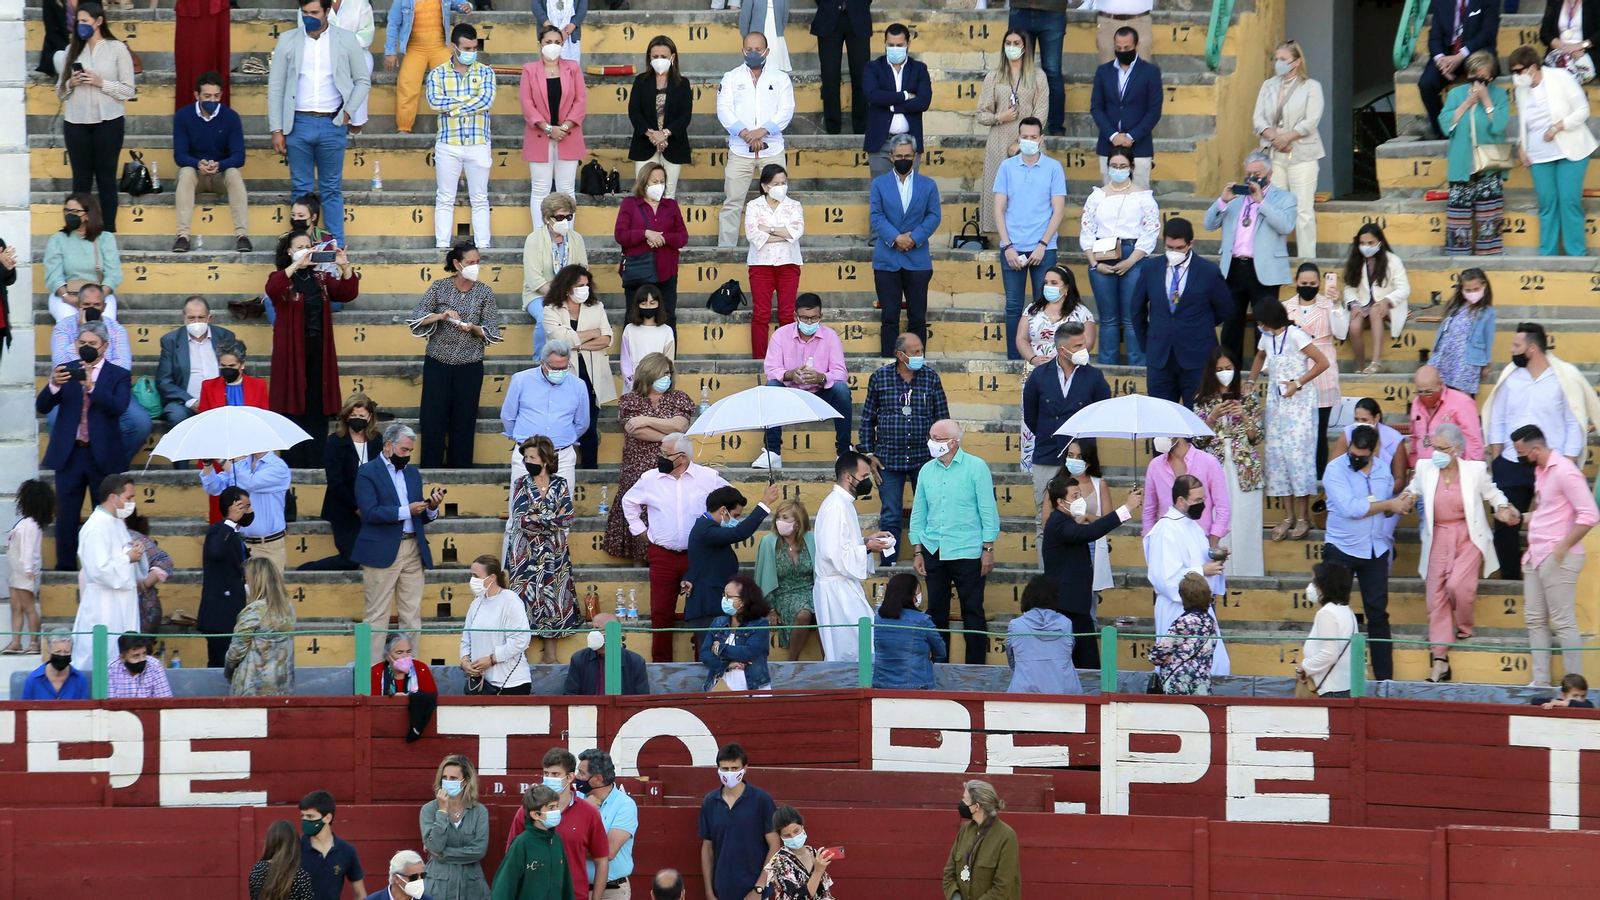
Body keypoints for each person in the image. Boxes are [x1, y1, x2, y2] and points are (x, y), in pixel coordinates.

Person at [1400, 423, 1515, 683]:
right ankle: (1439, 658)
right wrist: (1406, 498)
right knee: (1436, 595)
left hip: (1468, 535)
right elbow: (1413, 489)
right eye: (1433, 447)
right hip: (1438, 535)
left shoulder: (1474, 470)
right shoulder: (1425, 468)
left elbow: (1493, 493)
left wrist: (1503, 507)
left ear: (1456, 450)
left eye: (1441, 448)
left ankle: (1464, 624)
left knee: (1458, 586)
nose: (1435, 453)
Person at [1483, 323, 1588, 579]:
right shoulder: (1510, 376)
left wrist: (1569, 462)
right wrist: (1497, 459)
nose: (1511, 350)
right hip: (1510, 461)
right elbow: (1497, 417)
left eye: (1516, 345)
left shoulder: (1564, 375)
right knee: (1505, 522)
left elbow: (1574, 419)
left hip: (1550, 463)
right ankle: (1510, 580)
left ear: (1532, 348)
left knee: (1551, 523)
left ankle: (1548, 577)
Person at [267, 0, 371, 248]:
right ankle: (300, 248)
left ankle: (335, 249)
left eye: (314, 12)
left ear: (326, 12)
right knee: (301, 190)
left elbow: (362, 80)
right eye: (304, 13)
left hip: (332, 122)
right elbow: (276, 86)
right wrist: (276, 128)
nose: (309, 17)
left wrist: (347, 114)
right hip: (298, 122)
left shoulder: (345, 39)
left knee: (331, 189)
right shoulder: (289, 39)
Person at [622, 432, 730, 662]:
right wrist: (640, 532)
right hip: (662, 554)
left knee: (702, 613)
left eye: (664, 453)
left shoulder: (708, 477)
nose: (659, 457)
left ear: (681, 457)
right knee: (661, 613)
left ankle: (704, 663)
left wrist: (717, 530)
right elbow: (628, 502)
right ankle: (662, 666)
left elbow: (731, 500)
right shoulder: (650, 478)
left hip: (700, 556)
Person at [39, 323, 131, 573]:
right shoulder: (66, 371)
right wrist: (54, 385)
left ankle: (105, 566)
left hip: (102, 455)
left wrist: (92, 387)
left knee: (104, 514)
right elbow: (43, 406)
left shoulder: (118, 374)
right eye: (82, 344)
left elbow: (118, 406)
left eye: (92, 344)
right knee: (66, 514)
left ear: (105, 347)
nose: (86, 348)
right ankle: (66, 566)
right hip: (70, 453)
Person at [1514, 424, 1599, 688]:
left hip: (1557, 556)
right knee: (1535, 620)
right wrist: (1519, 517)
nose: (1520, 458)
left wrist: (1562, 548)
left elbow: (1590, 515)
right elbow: (1545, 514)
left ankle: (1574, 689)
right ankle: (1540, 681)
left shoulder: (1565, 472)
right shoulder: (1541, 472)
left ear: (1535, 449)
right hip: (1537, 555)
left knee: (1563, 623)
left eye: (1521, 452)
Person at [1323, 425, 1410, 683]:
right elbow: (1351, 508)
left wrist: (1399, 505)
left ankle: (1385, 680)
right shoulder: (1335, 469)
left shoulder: (1383, 470)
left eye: (1362, 455)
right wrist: (1389, 504)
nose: (1356, 459)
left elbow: (1384, 510)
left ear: (1374, 451)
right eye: (1353, 453)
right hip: (1341, 548)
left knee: (1378, 614)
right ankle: (1333, 678)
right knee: (1335, 614)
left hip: (1375, 548)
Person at [911, 421, 1001, 666]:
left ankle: (975, 670)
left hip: (968, 550)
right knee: (936, 613)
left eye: (936, 438)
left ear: (953, 442)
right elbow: (919, 512)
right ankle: (939, 667)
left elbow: (988, 511)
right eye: (931, 437)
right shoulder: (926, 471)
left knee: (973, 611)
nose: (931, 442)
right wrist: (917, 550)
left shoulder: (976, 467)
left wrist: (988, 549)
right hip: (933, 549)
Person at [267, 231, 358, 469]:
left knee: (317, 404)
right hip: (291, 354)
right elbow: (273, 290)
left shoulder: (321, 278)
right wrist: (296, 265)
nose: (307, 249)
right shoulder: (282, 277)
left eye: (309, 246)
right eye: (300, 246)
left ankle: (317, 463)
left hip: (319, 351)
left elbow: (347, 293)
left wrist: (344, 266)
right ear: (289, 251)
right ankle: (293, 464)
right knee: (292, 405)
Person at [353, 424, 443, 663]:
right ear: (388, 445)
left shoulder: (412, 473)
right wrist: (406, 510)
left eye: (410, 450)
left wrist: (431, 508)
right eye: (403, 450)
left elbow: (419, 514)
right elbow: (370, 513)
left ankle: (410, 673)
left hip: (414, 547)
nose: (407, 455)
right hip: (382, 549)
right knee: (376, 616)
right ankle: (370, 676)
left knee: (412, 616)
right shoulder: (367, 472)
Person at [857, 332, 948, 565]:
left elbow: (942, 419)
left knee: (931, 511)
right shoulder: (880, 378)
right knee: (890, 513)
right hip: (888, 459)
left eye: (921, 350)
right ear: (900, 355)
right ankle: (889, 563)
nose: (920, 355)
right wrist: (869, 455)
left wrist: (942, 455)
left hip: (925, 459)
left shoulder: (931, 378)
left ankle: (931, 560)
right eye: (915, 352)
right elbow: (867, 419)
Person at [410, 241, 502, 468]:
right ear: (456, 264)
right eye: (470, 262)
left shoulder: (484, 292)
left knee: (464, 420)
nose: (475, 266)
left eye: (478, 262)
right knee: (432, 419)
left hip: (470, 365)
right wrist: (440, 316)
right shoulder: (439, 287)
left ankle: (460, 468)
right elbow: (417, 317)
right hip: (438, 362)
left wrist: (473, 328)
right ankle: (431, 468)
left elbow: (492, 331)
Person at [1249, 297, 1330, 541]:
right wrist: (1251, 381)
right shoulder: (1267, 337)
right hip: (1277, 404)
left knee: (1298, 458)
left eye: (1261, 321)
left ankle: (1303, 517)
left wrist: (1298, 383)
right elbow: (1259, 357)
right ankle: (1288, 516)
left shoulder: (1296, 335)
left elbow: (1322, 362)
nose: (1259, 326)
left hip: (1300, 405)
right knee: (1278, 457)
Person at [1041, 472, 1140, 669]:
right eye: (1075, 496)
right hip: (1065, 607)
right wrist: (1126, 507)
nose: (1081, 500)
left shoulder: (1066, 521)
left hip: (1076, 604)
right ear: (1061, 502)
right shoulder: (1058, 523)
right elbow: (1092, 532)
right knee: (1081, 663)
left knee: (1088, 661)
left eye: (1080, 495)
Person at [1021, 323, 1112, 537]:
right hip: (1047, 453)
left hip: (1082, 458)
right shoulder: (1039, 376)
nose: (1084, 349)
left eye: (1084, 344)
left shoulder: (1094, 377)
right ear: (1062, 350)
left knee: (1083, 516)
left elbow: (1103, 412)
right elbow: (1031, 417)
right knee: (1044, 520)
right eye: (1078, 345)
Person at [1130, 217, 1231, 405]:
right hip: (1160, 357)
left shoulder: (1208, 271)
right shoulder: (1151, 268)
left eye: (1179, 248)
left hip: (1197, 356)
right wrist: (1148, 344)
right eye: (1170, 248)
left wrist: (1199, 326)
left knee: (1198, 415)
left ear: (1190, 244)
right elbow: (1136, 309)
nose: (1174, 252)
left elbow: (1225, 309)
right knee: (1161, 417)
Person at [1207, 153, 1297, 364]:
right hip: (1235, 267)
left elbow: (1286, 226)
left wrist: (1262, 202)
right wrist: (1222, 201)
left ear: (1270, 174)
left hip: (1264, 269)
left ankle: (1264, 368)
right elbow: (1209, 224)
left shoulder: (1285, 198)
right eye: (1248, 174)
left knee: (1265, 322)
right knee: (1231, 323)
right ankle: (1229, 371)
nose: (1252, 179)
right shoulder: (1236, 199)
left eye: (1257, 174)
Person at [1509, 45, 1598, 257]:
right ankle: (1547, 255)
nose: (1515, 76)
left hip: (1570, 150)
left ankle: (1576, 254)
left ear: (1532, 67)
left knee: (1569, 201)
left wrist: (1558, 127)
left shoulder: (1560, 77)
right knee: (1547, 204)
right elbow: (1525, 124)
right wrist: (1521, 146)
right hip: (1539, 156)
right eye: (1512, 72)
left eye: (1518, 71)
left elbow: (1583, 110)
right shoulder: (1520, 90)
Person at [47, 287, 147, 469]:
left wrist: (95, 380)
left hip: (107, 389)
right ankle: (69, 465)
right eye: (86, 305)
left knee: (140, 423)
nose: (91, 309)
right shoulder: (64, 327)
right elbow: (61, 365)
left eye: (96, 305)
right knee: (54, 419)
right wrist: (83, 334)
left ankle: (109, 466)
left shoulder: (116, 330)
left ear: (104, 306)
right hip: (72, 390)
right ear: (78, 305)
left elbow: (123, 367)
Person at [56, 3, 134, 235]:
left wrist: (102, 82)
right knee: (80, 180)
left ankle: (107, 230)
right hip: (76, 122)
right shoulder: (72, 48)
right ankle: (77, 230)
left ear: (98, 21)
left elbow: (129, 90)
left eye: (85, 21)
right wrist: (72, 82)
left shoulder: (117, 48)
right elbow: (59, 91)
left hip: (109, 121)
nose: (81, 26)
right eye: (79, 22)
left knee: (106, 178)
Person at [605, 353, 692, 562]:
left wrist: (645, 419)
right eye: (662, 373)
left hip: (671, 464)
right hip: (637, 464)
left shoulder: (678, 397)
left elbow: (681, 425)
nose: (667, 377)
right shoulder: (629, 399)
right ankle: (639, 559)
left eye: (669, 373)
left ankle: (664, 557)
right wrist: (670, 436)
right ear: (648, 374)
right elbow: (636, 432)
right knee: (638, 507)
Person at [994, 117, 1068, 360]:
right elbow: (998, 208)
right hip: (1012, 248)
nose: (1028, 141)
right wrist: (1008, 246)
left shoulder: (1053, 168)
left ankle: (1044, 359)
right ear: (1018, 137)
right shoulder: (1006, 167)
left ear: (1041, 139)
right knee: (1014, 307)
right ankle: (1015, 359)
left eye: (1033, 137)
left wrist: (1042, 245)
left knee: (1045, 307)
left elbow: (1058, 210)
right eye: (1024, 137)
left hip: (1043, 249)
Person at [504, 438, 581, 666]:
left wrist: (540, 518)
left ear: (545, 461)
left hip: (554, 553)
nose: (528, 462)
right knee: (522, 602)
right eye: (526, 458)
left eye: (532, 458)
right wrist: (550, 520)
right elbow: (522, 520)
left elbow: (567, 518)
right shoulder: (520, 483)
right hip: (524, 553)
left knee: (554, 598)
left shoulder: (560, 484)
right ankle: (520, 657)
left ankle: (550, 656)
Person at [1144, 475, 1231, 676]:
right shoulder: (1165, 529)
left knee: (1216, 667)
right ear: (1181, 500)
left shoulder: (1192, 525)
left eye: (1203, 500)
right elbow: (1165, 577)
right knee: (1181, 669)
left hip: (1201, 609)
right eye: (1198, 501)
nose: (1202, 505)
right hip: (1177, 609)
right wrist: (1203, 571)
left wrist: (1216, 562)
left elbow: (1198, 562)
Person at [814, 452, 895, 662]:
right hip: (836, 588)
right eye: (865, 476)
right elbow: (832, 553)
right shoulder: (836, 506)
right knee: (850, 648)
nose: (868, 481)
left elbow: (841, 543)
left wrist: (866, 539)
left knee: (861, 641)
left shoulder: (844, 503)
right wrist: (867, 547)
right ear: (849, 477)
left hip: (842, 584)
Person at [1080, 150, 1158, 365]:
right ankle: (1107, 367)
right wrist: (1095, 264)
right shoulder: (1096, 196)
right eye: (1114, 165)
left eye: (1123, 166)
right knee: (1108, 320)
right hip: (1101, 254)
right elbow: (1087, 230)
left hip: (1133, 254)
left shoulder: (1143, 196)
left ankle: (1138, 368)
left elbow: (1151, 230)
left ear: (1131, 167)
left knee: (1132, 318)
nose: (1118, 170)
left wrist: (1131, 260)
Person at [718, 33, 796, 249]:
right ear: (743, 50)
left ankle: (779, 246)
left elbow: (786, 111)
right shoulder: (731, 78)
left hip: (772, 150)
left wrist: (762, 132)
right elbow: (724, 110)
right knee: (732, 202)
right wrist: (746, 134)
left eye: (758, 49)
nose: (753, 53)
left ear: (767, 51)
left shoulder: (781, 78)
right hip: (740, 151)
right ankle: (726, 249)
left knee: (778, 200)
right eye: (749, 49)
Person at [1192, 348, 1265, 577]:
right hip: (1214, 469)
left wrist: (1244, 415)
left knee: (1245, 522)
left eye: (1229, 368)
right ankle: (1219, 572)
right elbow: (1197, 441)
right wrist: (1212, 417)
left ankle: (1249, 574)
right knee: (1217, 521)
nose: (1225, 373)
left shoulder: (1248, 397)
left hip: (1245, 471)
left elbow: (1257, 437)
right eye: (1220, 370)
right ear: (1211, 372)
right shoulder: (1201, 400)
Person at [501, 748, 610, 900]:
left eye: (555, 774)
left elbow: (601, 859)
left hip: (575, 895)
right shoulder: (527, 811)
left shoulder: (589, 813)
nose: (549, 779)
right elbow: (512, 859)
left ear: (570, 776)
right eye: (546, 774)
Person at [757, 294, 850, 469]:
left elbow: (841, 372)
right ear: (795, 317)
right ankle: (773, 452)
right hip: (791, 392)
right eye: (805, 318)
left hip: (821, 392)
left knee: (842, 391)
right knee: (771, 387)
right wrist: (790, 374)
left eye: (814, 318)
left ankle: (844, 452)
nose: (809, 323)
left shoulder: (830, 336)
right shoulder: (780, 335)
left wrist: (821, 377)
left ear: (820, 317)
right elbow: (771, 369)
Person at [425, 24, 496, 251]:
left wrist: (453, 109)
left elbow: (486, 101)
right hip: (448, 143)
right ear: (453, 47)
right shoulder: (437, 73)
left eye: (474, 47)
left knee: (480, 198)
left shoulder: (486, 72)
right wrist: (469, 102)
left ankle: (483, 245)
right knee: (445, 197)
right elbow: (434, 102)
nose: (471, 51)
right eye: (466, 47)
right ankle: (442, 245)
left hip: (478, 143)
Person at [870, 136, 942, 356]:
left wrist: (913, 238)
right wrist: (895, 238)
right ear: (891, 156)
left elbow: (934, 216)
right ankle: (889, 365)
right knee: (889, 317)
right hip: (887, 260)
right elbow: (876, 215)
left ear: (915, 156)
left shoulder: (928, 185)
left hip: (917, 260)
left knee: (917, 318)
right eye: (899, 156)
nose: (903, 160)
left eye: (908, 156)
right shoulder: (879, 184)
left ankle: (917, 362)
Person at [1251, 41, 1323, 258]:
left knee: (1303, 210)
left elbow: (1311, 121)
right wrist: (1275, 138)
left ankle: (1307, 260)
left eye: (1284, 59)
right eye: (1277, 59)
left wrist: (1287, 137)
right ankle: (1273, 257)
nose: (1279, 63)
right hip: (1274, 156)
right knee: (1274, 207)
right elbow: (1258, 118)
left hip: (1302, 155)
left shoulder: (1311, 86)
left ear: (1297, 61)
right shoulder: (1268, 85)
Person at [685, 485, 778, 651]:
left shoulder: (705, 528)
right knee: (715, 657)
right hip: (708, 607)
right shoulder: (706, 530)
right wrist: (765, 502)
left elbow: (701, 562)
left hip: (712, 605)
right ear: (723, 510)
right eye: (735, 515)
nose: (735, 520)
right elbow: (739, 533)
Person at [1019, 269, 1098, 464]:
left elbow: (1088, 343)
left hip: (1071, 373)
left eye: (1054, 283)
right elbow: (1021, 338)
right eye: (1046, 282)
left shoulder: (1081, 313)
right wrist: (1034, 359)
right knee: (1036, 419)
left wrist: (1064, 359)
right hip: (1037, 373)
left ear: (1066, 287)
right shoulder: (1033, 310)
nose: (1048, 286)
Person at [976, 31, 1048, 235]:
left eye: (1016, 43)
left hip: (1030, 143)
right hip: (999, 140)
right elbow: (982, 113)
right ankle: (1000, 238)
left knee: (1030, 193)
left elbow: (1041, 112)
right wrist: (1000, 117)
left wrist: (1023, 142)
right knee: (999, 192)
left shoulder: (1038, 76)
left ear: (1025, 47)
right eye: (1008, 42)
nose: (1012, 46)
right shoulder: (994, 76)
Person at [1439, 51, 1509, 257]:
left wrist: (1487, 101)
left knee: (1489, 225)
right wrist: (1467, 103)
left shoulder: (1499, 95)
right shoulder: (1455, 95)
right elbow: (1445, 125)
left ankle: (1489, 262)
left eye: (1483, 78)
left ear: (1491, 77)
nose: (1478, 82)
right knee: (1458, 225)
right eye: (1474, 77)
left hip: (1489, 168)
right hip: (1462, 166)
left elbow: (1499, 126)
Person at [541, 266, 611, 470]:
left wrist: (575, 343)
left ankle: (590, 467)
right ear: (567, 288)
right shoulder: (551, 309)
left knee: (589, 424)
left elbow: (606, 338)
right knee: (561, 422)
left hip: (592, 374)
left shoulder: (596, 306)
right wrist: (592, 333)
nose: (584, 289)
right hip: (562, 374)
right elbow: (559, 340)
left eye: (586, 285)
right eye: (579, 286)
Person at [173, 73, 249, 253]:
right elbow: (179, 155)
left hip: (220, 175)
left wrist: (219, 166)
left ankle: (242, 236)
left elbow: (239, 156)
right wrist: (198, 164)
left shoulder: (231, 117)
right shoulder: (183, 116)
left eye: (216, 96)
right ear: (196, 95)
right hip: (196, 175)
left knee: (234, 173)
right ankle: (182, 236)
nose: (212, 100)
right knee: (185, 172)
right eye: (207, 96)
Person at [304, 394, 381, 571]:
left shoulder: (376, 440)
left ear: (370, 417)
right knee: (351, 559)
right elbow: (335, 481)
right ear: (346, 416)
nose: (357, 420)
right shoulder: (335, 441)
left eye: (362, 416)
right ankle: (309, 569)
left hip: (371, 506)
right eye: (353, 416)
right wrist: (357, 507)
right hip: (343, 507)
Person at [520, 25, 589, 217]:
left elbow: (580, 101)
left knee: (566, 189)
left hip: (569, 134)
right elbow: (527, 103)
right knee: (540, 189)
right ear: (539, 44)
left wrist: (564, 127)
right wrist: (549, 128)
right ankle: (539, 238)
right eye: (548, 42)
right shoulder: (529, 69)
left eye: (557, 42)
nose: (553, 46)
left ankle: (567, 236)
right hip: (539, 135)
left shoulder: (573, 68)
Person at [501, 341, 591, 483]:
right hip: (527, 455)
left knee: (562, 503)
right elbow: (508, 416)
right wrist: (524, 440)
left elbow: (582, 422)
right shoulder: (521, 380)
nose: (560, 372)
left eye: (564, 367)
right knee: (522, 503)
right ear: (543, 362)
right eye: (555, 368)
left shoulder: (578, 385)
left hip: (562, 456)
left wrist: (563, 437)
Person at [699, 744, 780, 900]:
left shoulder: (761, 799)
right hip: (722, 890)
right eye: (725, 768)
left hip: (756, 890)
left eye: (735, 768)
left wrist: (759, 888)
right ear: (718, 769)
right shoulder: (710, 802)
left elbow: (775, 845)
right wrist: (709, 892)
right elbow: (707, 849)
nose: (729, 773)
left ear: (745, 768)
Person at [745, 164, 807, 360]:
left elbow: (795, 233)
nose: (781, 187)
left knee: (787, 314)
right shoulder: (754, 206)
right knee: (761, 314)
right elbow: (753, 235)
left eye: (783, 183)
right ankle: (760, 359)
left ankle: (788, 358)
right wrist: (782, 232)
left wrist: (768, 229)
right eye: (775, 183)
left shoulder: (794, 205)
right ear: (764, 186)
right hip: (760, 265)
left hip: (788, 264)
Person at [1286, 262, 1342, 478]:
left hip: (1323, 370)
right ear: (1296, 283)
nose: (1308, 287)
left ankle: (1318, 478)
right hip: (1296, 369)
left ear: (1319, 283)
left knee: (1319, 433)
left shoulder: (1329, 305)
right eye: (1303, 283)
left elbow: (1341, 332)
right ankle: (1299, 477)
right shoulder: (1286, 307)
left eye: (1312, 283)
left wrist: (1337, 305)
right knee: (1298, 433)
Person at [615, 163, 689, 323]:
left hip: (666, 271)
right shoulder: (630, 204)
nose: (659, 186)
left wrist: (662, 239)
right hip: (638, 270)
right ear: (644, 182)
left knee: (668, 317)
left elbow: (683, 236)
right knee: (633, 318)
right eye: (655, 182)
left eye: (662, 182)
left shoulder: (671, 206)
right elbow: (620, 235)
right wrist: (646, 234)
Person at [386, 0, 472, 133]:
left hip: (440, 47)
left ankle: (457, 126)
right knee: (407, 85)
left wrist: (467, 6)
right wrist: (390, 51)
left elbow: (461, 4)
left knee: (453, 84)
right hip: (415, 49)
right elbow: (393, 23)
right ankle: (404, 127)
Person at [1419, 0, 1501, 140]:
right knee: (1426, 83)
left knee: (1481, 75)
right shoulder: (1441, 2)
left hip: (1476, 50)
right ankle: (1443, 130)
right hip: (1447, 53)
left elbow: (1488, 34)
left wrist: (1460, 56)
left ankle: (1482, 130)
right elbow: (1435, 37)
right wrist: (1441, 61)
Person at [1091, 28, 1162, 189]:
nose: (1122, 51)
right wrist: (1113, 135)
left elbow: (1154, 111)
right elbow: (1096, 107)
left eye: (1127, 48)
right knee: (1109, 199)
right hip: (1108, 146)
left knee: (1139, 198)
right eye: (1118, 48)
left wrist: (1131, 136)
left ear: (1137, 45)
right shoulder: (1103, 71)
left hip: (1139, 147)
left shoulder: (1150, 72)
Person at [202, 453, 291, 576]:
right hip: (242, 545)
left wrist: (222, 461)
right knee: (242, 593)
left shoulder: (278, 466)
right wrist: (208, 464)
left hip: (269, 546)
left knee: (269, 594)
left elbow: (250, 482)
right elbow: (213, 487)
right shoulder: (241, 465)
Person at [1142, 436, 1231, 556]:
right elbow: (1149, 509)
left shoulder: (1208, 462)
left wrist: (1212, 543)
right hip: (1168, 542)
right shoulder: (1155, 465)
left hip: (1202, 541)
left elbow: (1223, 507)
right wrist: (1151, 543)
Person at [155, 297, 238, 426]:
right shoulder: (171, 341)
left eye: (201, 317)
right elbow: (164, 381)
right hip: (184, 403)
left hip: (221, 399)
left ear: (209, 318)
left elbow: (235, 371)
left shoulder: (225, 337)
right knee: (177, 415)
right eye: (191, 318)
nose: (196, 322)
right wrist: (191, 402)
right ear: (184, 318)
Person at [1341, 225, 1412, 372]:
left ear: (1380, 242)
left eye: (1370, 243)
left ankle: (1376, 362)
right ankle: (1360, 367)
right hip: (1363, 303)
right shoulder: (1356, 260)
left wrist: (1387, 300)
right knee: (1354, 326)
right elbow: (1350, 287)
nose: (1366, 247)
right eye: (1362, 243)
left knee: (1375, 311)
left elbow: (1404, 289)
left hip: (1389, 305)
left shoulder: (1393, 261)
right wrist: (1353, 304)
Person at [628, 36, 693, 199]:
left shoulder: (682, 83)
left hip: (674, 145)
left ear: (673, 57)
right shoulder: (640, 81)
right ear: (649, 57)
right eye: (655, 56)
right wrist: (652, 135)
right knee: (644, 193)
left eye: (663, 57)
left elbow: (685, 116)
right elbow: (634, 112)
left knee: (668, 195)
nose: (659, 60)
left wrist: (664, 134)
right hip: (645, 144)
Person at [862, 24, 931, 178]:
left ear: (908, 44)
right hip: (881, 143)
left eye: (899, 45)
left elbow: (923, 101)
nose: (895, 48)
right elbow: (873, 95)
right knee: (881, 192)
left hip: (910, 143)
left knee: (908, 193)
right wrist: (905, 96)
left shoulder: (919, 69)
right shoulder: (873, 67)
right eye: (890, 45)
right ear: (885, 43)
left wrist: (890, 105)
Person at [522, 194, 589, 349]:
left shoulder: (576, 238)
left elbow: (583, 270)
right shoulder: (534, 239)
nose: (564, 221)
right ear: (547, 218)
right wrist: (559, 297)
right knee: (545, 320)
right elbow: (534, 279)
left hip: (571, 293)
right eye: (560, 217)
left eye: (568, 217)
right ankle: (541, 360)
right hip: (538, 294)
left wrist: (569, 295)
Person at [420, 753, 490, 900]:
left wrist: (443, 854)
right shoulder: (429, 810)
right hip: (438, 885)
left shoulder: (479, 811)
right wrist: (442, 811)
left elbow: (479, 850)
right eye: (444, 778)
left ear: (465, 782)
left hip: (471, 886)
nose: (447, 782)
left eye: (453, 778)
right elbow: (435, 845)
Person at [458, 554, 533, 692]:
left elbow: (521, 639)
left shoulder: (510, 600)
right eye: (471, 575)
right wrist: (465, 661)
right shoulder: (476, 603)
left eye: (476, 576)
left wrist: (492, 659)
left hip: (511, 683)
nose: (472, 580)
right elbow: (466, 638)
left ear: (492, 577)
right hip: (481, 683)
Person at [224, 556, 297, 697]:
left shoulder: (254, 610)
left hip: (253, 688)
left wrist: (228, 671)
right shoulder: (289, 608)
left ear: (256, 581)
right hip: (283, 685)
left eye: (247, 579)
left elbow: (236, 652)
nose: (245, 583)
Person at [44, 193, 122, 323]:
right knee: (67, 322)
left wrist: (95, 299)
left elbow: (113, 275)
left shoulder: (105, 238)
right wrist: (68, 298)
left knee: (106, 324)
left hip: (100, 296)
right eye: (67, 210)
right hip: (66, 296)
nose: (70, 215)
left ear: (88, 215)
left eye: (75, 211)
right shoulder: (57, 240)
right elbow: (53, 276)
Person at [754, 499, 817, 661]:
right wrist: (770, 609)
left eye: (785, 518)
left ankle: (830, 660)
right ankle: (792, 661)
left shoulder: (811, 539)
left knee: (825, 613)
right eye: (778, 517)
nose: (779, 521)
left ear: (797, 523)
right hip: (784, 594)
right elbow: (763, 578)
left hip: (812, 591)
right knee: (803, 613)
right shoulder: (769, 542)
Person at [577, 749, 639, 900]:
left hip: (612, 892)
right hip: (576, 888)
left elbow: (607, 851)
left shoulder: (625, 805)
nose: (576, 777)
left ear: (598, 779)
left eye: (581, 773)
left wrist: (572, 847)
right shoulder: (576, 798)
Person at [942, 781, 1020, 900]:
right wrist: (955, 897)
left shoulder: (1006, 836)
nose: (962, 803)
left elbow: (1002, 888)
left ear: (977, 806)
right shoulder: (965, 830)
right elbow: (949, 873)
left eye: (966, 800)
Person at [493, 786, 573, 900]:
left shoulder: (557, 840)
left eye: (556, 806)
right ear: (535, 814)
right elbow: (505, 885)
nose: (556, 811)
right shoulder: (521, 843)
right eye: (551, 808)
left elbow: (566, 884)